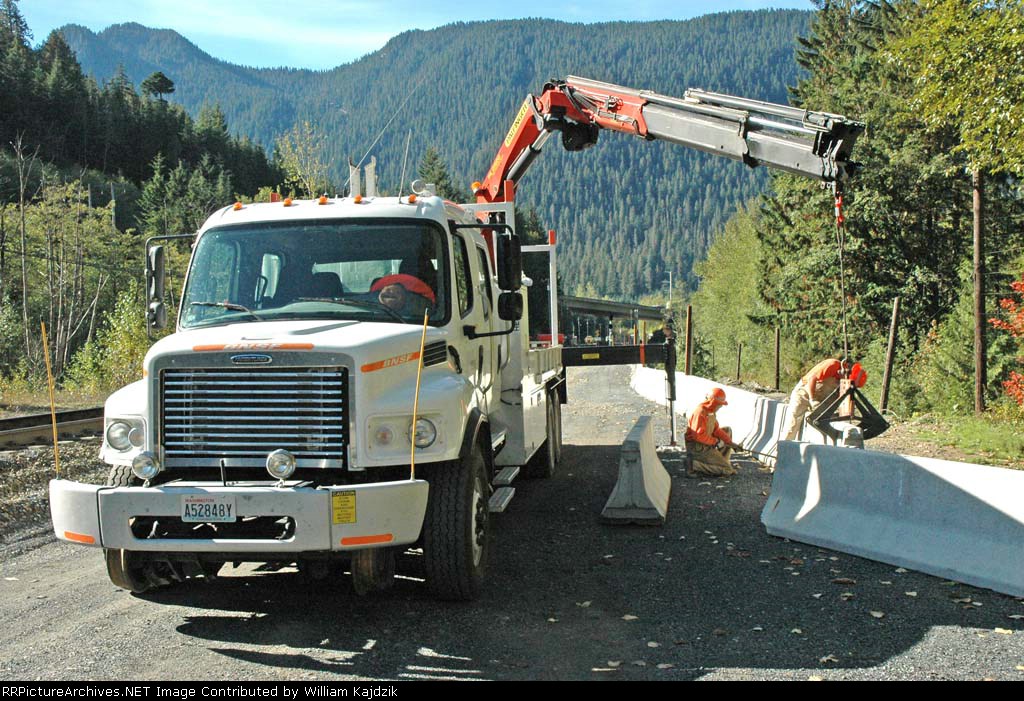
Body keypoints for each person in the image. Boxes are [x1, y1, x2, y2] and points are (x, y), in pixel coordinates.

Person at [782, 357, 866, 440]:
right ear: (847, 370)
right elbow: (812, 379)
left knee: (823, 426)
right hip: (803, 394)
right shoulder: (833, 365)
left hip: (820, 401)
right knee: (792, 425)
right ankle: (784, 445)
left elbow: (840, 398)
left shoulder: (842, 382)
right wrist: (812, 399)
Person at [685, 387, 742, 477]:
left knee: (727, 430)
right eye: (720, 404)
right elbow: (698, 436)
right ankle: (694, 465)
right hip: (698, 449)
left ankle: (722, 461)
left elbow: (716, 430)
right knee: (728, 470)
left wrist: (730, 443)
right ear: (713, 403)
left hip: (706, 445)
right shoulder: (700, 413)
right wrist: (716, 442)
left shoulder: (711, 412)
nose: (721, 406)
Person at [370, 273, 435, 317]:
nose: (391, 294)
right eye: (388, 290)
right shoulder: (368, 311)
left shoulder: (422, 316)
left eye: (397, 292)